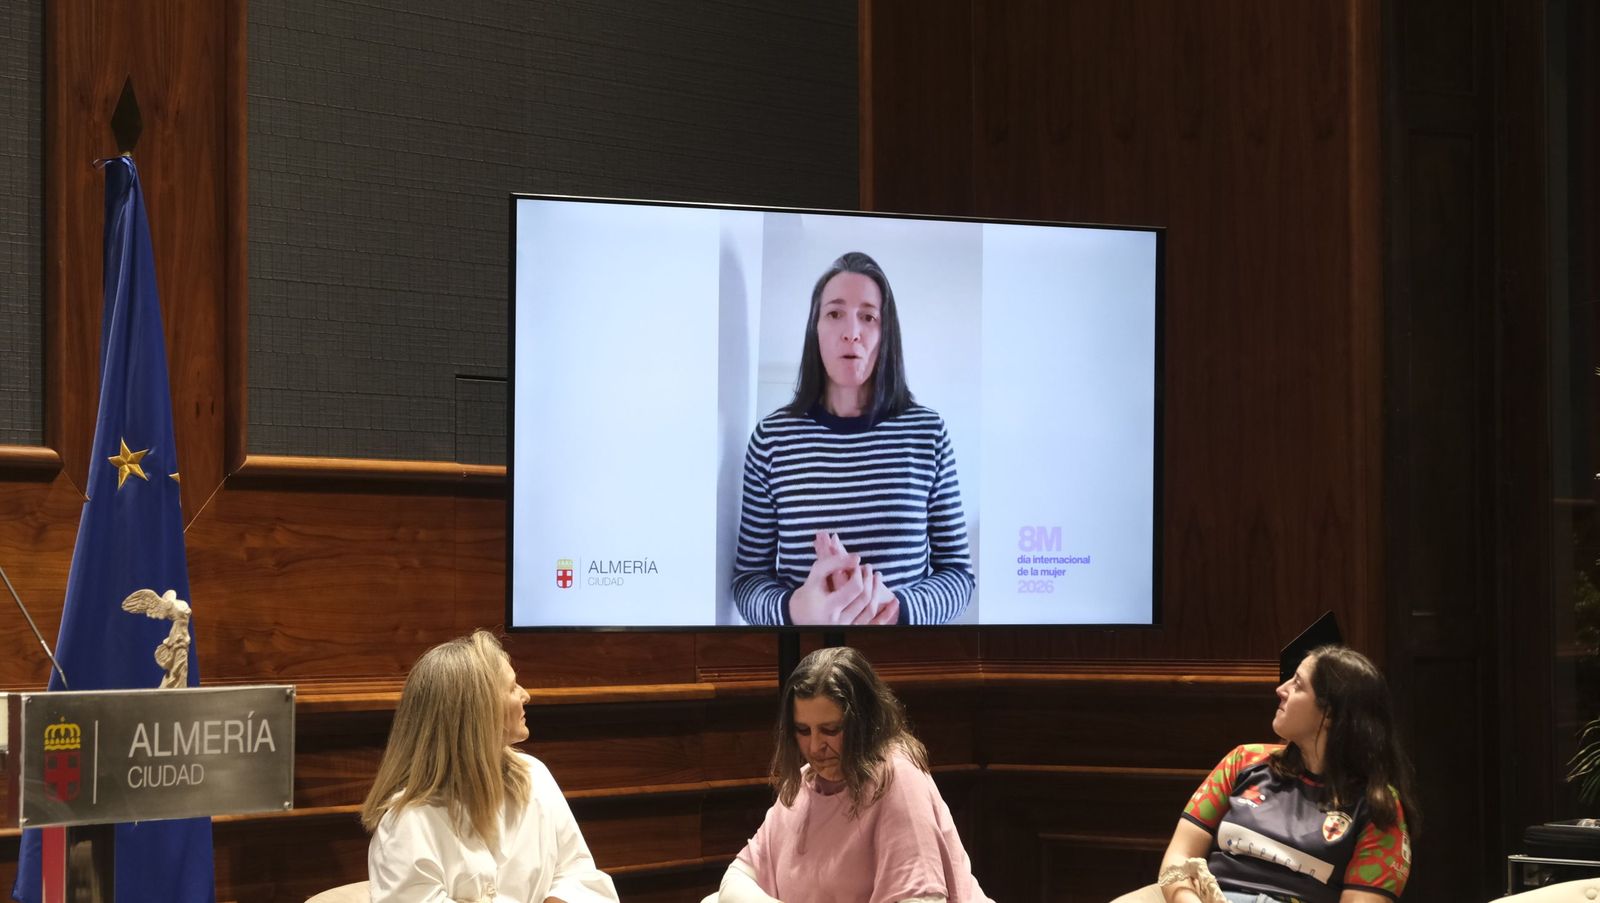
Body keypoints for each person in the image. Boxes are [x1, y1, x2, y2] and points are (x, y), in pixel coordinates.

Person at [731, 251, 974, 626]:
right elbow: (748, 580)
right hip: (810, 657)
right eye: (834, 314)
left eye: (868, 317)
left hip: (904, 657)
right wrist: (796, 609)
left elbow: (958, 575)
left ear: (886, 333)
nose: (851, 332)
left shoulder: (928, 433)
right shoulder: (771, 440)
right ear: (815, 329)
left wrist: (896, 610)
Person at [715, 646, 993, 903]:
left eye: (830, 730)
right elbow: (735, 879)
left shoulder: (897, 778)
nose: (815, 747)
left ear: (864, 723)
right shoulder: (803, 783)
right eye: (803, 731)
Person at [361, 630, 619, 903]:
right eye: (512, 687)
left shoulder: (535, 775)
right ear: (477, 711)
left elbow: (580, 875)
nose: (526, 695)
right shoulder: (408, 822)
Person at [1156, 645, 1417, 903]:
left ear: (1329, 714)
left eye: (1298, 685)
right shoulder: (1243, 760)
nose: (1281, 690)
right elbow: (1177, 858)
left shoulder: (1377, 805)